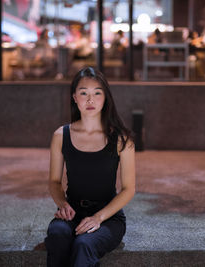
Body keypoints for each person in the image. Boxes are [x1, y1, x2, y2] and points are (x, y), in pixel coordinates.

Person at [44, 67, 136, 267]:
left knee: (84, 244)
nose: (90, 100)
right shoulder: (61, 135)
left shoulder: (121, 139)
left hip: (108, 217)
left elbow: (129, 189)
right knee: (57, 234)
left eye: (97, 93)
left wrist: (98, 218)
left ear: (106, 98)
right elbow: (54, 181)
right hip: (72, 211)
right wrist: (62, 204)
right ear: (74, 98)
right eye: (83, 93)